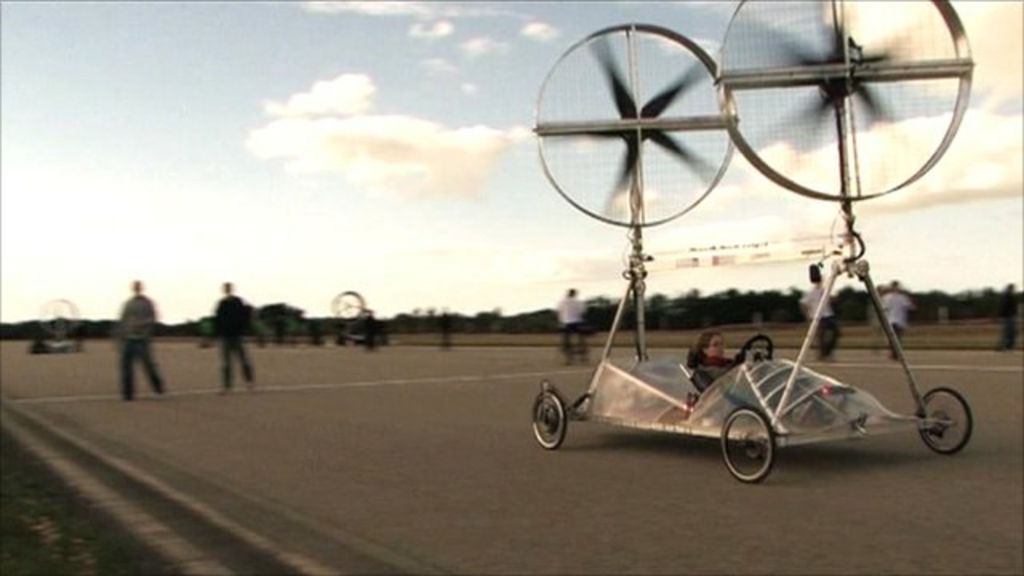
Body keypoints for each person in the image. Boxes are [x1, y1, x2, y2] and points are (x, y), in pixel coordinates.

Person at [117, 280, 165, 401]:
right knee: (126, 367)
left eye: (138, 287)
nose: (136, 289)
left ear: (141, 288)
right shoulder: (128, 303)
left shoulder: (148, 303)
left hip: (142, 339)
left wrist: (142, 325)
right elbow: (123, 320)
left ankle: (158, 386)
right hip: (129, 338)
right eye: (135, 287)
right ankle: (128, 393)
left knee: (148, 365)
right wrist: (121, 336)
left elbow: (153, 318)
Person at [214, 282, 254, 393]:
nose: (227, 290)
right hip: (225, 336)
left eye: (228, 288)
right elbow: (218, 319)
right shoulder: (221, 303)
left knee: (243, 359)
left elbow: (245, 315)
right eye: (225, 288)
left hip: (237, 335)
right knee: (226, 362)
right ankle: (227, 386)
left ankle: (249, 382)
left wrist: (243, 328)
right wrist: (217, 333)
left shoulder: (238, 301)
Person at [800, 264, 839, 360]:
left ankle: (826, 353)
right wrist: (808, 316)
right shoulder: (811, 292)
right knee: (821, 336)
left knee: (835, 333)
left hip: (829, 315)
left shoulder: (824, 290)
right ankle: (823, 354)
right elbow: (803, 304)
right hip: (818, 316)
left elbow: (831, 299)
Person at [881, 280, 915, 359]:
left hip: (891, 320)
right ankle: (895, 353)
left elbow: (883, 308)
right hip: (898, 320)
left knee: (893, 337)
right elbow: (911, 307)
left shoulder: (887, 297)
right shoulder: (902, 297)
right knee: (897, 337)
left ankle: (894, 352)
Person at [557, 289, 587, 364]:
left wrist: (561, 321)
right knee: (581, 339)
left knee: (566, 341)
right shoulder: (579, 302)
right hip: (578, 322)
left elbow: (560, 312)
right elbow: (583, 312)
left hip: (566, 323)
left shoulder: (562, 302)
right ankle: (583, 356)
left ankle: (569, 358)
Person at [998, 283, 1019, 351]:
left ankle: (1008, 346)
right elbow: (1005, 307)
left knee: (1011, 332)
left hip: (1010, 316)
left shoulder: (1009, 296)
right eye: (1012, 288)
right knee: (1007, 332)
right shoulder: (1008, 296)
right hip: (1009, 316)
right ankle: (1003, 346)